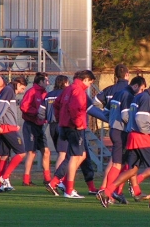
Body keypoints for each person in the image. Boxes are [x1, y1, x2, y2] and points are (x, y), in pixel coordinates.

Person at [96, 83, 150, 208]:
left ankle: (106, 192)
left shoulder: (138, 97)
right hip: (143, 138)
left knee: (132, 169)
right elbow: (140, 119)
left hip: (132, 136)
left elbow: (134, 118)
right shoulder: (147, 98)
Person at [45, 70, 96, 198]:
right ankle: (68, 190)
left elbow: (56, 104)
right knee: (75, 156)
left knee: (80, 155)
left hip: (65, 126)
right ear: (85, 80)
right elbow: (75, 108)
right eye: (90, 82)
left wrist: (60, 119)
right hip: (74, 127)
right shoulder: (78, 91)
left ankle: (55, 182)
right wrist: (78, 123)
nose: (89, 85)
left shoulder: (68, 89)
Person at [101, 76, 147, 204]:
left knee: (122, 164)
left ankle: (116, 192)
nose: (142, 92)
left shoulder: (117, 93)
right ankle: (108, 194)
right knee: (117, 164)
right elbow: (125, 116)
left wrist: (112, 121)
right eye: (142, 89)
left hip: (114, 130)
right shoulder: (128, 95)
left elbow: (105, 112)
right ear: (136, 86)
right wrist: (137, 125)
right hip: (121, 132)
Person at [0, 76, 28, 190]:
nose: (21, 91)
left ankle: (3, 181)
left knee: (5, 154)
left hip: (7, 126)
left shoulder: (8, 90)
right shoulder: (9, 90)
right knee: (21, 152)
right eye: (22, 88)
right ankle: (4, 177)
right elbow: (1, 107)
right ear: (18, 84)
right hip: (7, 127)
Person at [20, 72, 51, 186]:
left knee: (46, 151)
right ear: (40, 82)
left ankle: (47, 179)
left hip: (39, 126)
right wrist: (36, 113)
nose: (48, 83)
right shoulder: (32, 92)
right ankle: (26, 179)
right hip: (30, 125)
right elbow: (24, 107)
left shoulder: (45, 93)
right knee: (31, 153)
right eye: (46, 80)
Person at [39, 75, 70, 171]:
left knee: (60, 152)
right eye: (68, 83)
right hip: (62, 125)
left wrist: (45, 119)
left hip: (52, 126)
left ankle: (59, 179)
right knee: (63, 153)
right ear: (65, 83)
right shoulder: (66, 93)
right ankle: (57, 180)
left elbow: (41, 112)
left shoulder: (49, 95)